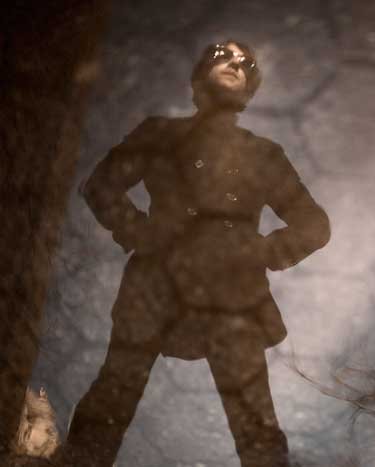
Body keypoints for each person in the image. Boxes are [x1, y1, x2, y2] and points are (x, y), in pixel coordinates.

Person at [61, 40, 330, 467]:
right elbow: (101, 185)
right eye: (224, 55)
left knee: (255, 421)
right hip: (155, 285)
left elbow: (314, 224)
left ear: (250, 88)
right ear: (199, 75)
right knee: (114, 394)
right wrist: (141, 233)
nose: (236, 64)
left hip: (235, 296)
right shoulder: (160, 133)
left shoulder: (264, 154)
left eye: (246, 63)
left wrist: (260, 251)